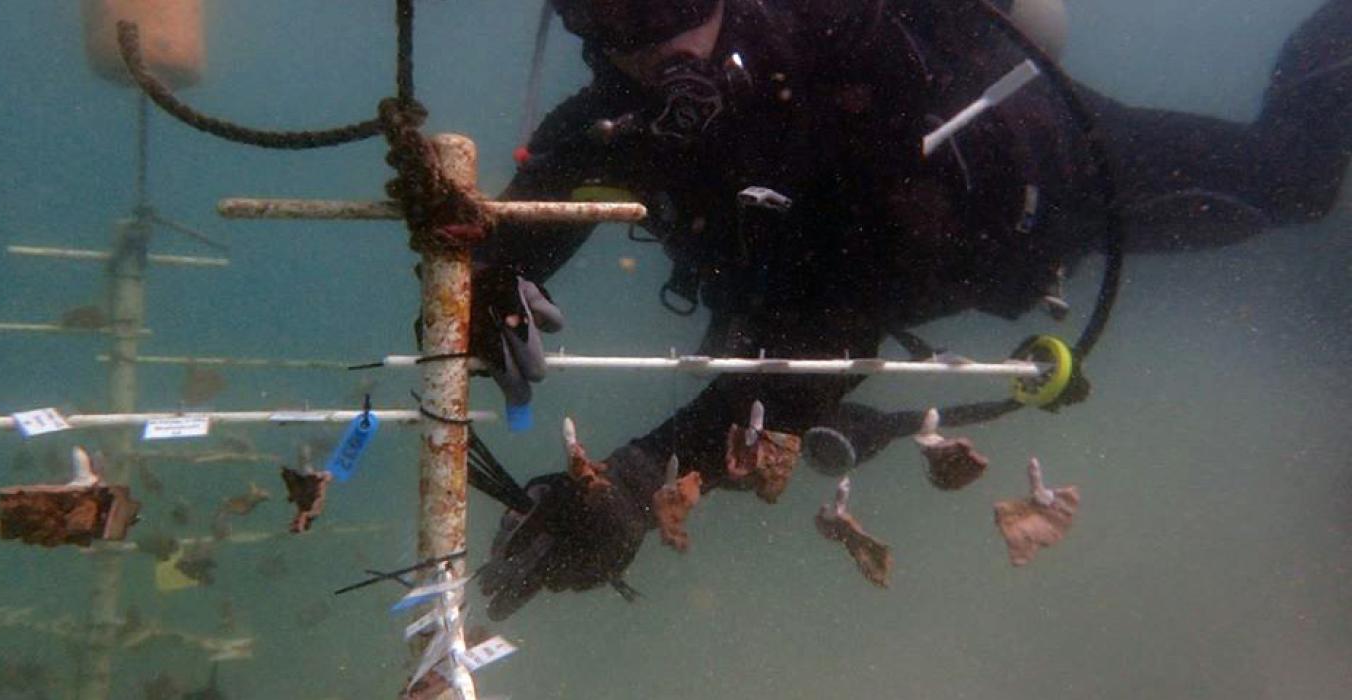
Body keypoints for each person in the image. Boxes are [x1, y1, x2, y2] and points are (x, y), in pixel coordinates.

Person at [470, 0, 1351, 619]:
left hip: (1057, 192)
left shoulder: (843, 64)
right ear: (578, 24)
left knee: (1294, 180)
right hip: (817, 301)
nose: (657, 45)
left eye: (671, 1)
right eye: (613, 16)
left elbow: (834, 332)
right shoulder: (614, 127)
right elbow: (517, 227)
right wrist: (485, 286)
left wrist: (637, 475)